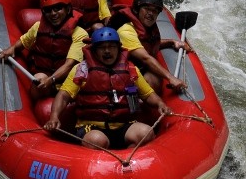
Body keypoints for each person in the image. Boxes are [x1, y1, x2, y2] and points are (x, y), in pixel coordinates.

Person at [44, 27, 172, 150]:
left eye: (111, 47)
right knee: (97, 140)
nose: (107, 51)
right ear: (94, 50)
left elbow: (148, 94)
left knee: (146, 133)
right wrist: (54, 116)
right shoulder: (82, 69)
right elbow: (63, 96)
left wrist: (160, 103)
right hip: (92, 127)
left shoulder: (131, 69)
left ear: (118, 49)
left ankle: (127, 161)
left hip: (124, 125)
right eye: (102, 48)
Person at [0, 0, 83, 101]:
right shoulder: (38, 27)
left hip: (65, 82)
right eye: (48, 10)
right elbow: (23, 43)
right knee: (39, 77)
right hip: (41, 79)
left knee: (40, 77)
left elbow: (69, 65)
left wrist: (51, 80)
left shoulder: (79, 33)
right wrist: (12, 49)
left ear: (68, 9)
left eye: (58, 8)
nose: (53, 14)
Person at [107, 0, 192, 92]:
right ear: (137, 10)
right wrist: (171, 78)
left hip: (138, 68)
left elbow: (149, 43)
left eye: (155, 11)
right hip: (120, 74)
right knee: (151, 80)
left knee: (154, 79)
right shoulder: (126, 30)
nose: (150, 14)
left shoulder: (146, 27)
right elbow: (145, 58)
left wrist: (172, 42)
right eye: (146, 9)